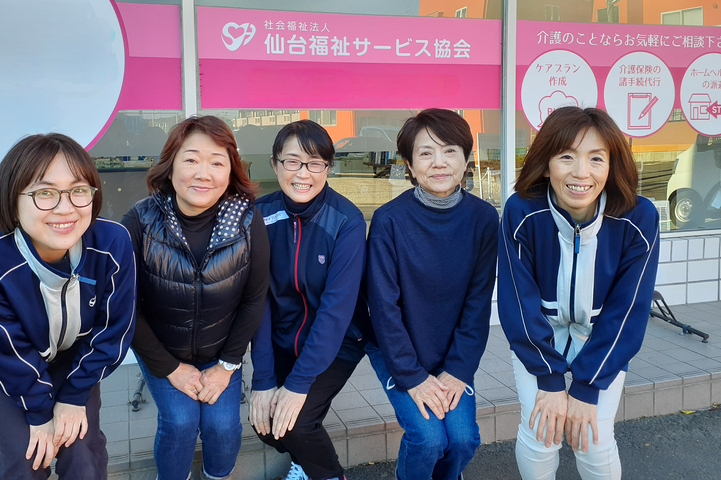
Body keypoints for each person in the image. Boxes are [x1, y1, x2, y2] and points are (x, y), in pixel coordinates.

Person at [0, 133, 136, 479]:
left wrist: (73, 397)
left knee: (82, 450)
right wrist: (39, 412)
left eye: (78, 190)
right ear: (12, 200)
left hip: (69, 351)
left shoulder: (112, 243)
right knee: (28, 455)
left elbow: (113, 331)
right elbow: (5, 355)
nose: (65, 208)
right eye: (44, 193)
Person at [497, 106, 660, 480]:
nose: (581, 172)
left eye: (596, 158)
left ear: (612, 165)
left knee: (593, 439)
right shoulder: (521, 211)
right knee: (542, 434)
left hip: (600, 339)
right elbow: (518, 302)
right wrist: (549, 378)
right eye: (566, 157)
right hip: (541, 338)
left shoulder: (638, 217)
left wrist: (588, 386)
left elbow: (628, 311)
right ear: (546, 164)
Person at [121, 115, 270, 480]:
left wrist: (227, 365)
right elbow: (126, 306)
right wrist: (170, 368)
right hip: (162, 350)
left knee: (223, 427)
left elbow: (254, 299)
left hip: (222, 353)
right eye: (191, 160)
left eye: (217, 162)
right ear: (170, 165)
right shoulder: (140, 221)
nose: (203, 174)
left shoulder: (247, 220)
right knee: (180, 421)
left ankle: (218, 476)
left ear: (230, 171)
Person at [364, 108, 499, 480]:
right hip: (398, 349)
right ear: (409, 165)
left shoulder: (484, 219)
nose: (439, 162)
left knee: (463, 439)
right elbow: (383, 307)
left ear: (466, 159)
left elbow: (477, 303)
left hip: (450, 352)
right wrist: (413, 376)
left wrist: (458, 370)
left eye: (450, 151)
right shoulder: (389, 220)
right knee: (427, 439)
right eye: (426, 153)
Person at [249, 120, 370, 480]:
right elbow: (258, 301)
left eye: (315, 163)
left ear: (328, 168)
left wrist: (298, 384)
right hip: (282, 339)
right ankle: (304, 462)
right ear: (275, 164)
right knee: (265, 422)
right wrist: (263, 379)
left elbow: (336, 312)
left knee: (297, 423)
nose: (303, 173)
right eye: (292, 161)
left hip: (339, 342)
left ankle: (329, 475)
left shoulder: (346, 221)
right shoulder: (258, 215)